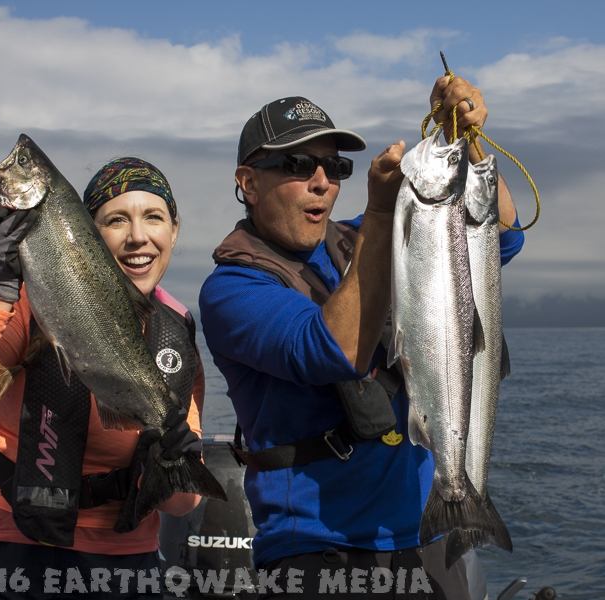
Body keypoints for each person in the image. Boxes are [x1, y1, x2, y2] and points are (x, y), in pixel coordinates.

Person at [199, 78, 525, 599]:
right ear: (249, 182)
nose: (323, 181)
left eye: (337, 168)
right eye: (299, 166)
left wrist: (464, 138)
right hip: (316, 552)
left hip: (428, 538)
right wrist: (379, 212)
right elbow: (335, 349)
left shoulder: (357, 241)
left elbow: (501, 236)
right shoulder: (233, 289)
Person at [0, 157, 205, 599]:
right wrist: (0, 284)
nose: (137, 237)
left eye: (153, 217)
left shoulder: (175, 338)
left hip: (118, 555)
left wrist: (175, 458)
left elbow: (182, 503)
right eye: (116, 220)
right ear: (89, 236)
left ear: (174, 231)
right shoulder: (32, 301)